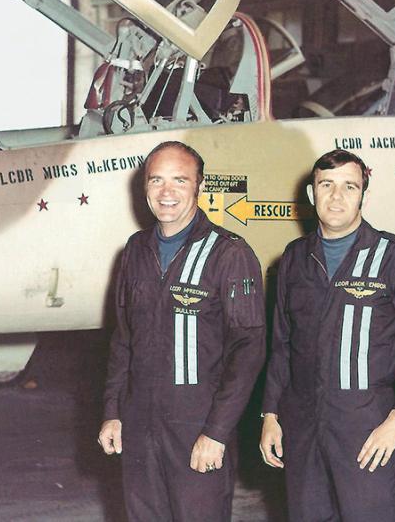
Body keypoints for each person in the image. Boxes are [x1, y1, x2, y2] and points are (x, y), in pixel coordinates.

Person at [259, 149, 395, 521]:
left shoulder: (393, 257)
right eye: (326, 185)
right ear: (311, 194)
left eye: (350, 186)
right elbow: (282, 344)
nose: (336, 197)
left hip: (366, 427)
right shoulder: (295, 258)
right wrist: (270, 414)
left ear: (364, 193)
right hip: (301, 426)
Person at [98, 141, 266, 522]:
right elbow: (123, 339)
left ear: (200, 187)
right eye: (156, 180)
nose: (167, 192)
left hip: (198, 428)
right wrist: (113, 412)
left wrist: (217, 432)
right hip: (139, 426)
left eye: (179, 180)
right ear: (144, 187)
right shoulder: (135, 250)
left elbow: (248, 349)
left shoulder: (229, 253)